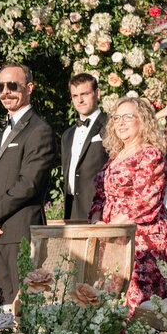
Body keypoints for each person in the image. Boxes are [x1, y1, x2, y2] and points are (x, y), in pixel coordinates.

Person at [90, 97, 167, 311]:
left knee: (137, 308)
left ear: (143, 121)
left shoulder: (151, 154)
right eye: (117, 118)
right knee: (110, 304)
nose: (120, 122)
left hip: (144, 240)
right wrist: (97, 223)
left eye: (128, 116)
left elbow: (144, 202)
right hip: (113, 237)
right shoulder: (114, 157)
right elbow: (99, 196)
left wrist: (113, 228)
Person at [0, 62, 56, 304]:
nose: (5, 92)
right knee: (2, 304)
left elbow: (28, 184)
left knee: (24, 306)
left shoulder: (40, 131)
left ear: (29, 88)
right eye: (0, 86)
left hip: (21, 231)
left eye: (12, 85)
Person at [61, 72, 108, 222]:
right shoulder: (67, 135)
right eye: (75, 96)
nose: (80, 100)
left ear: (97, 93)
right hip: (72, 210)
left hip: (100, 210)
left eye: (85, 94)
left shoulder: (111, 126)